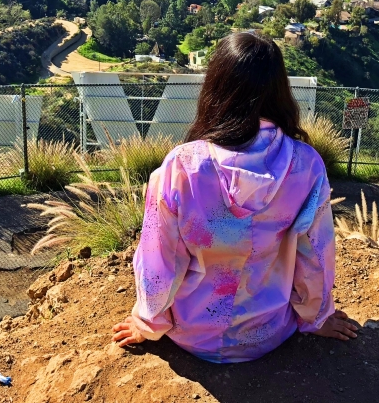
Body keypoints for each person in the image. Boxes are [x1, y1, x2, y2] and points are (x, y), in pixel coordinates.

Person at [112, 31, 358, 363]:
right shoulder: (306, 165)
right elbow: (315, 254)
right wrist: (318, 317)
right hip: (269, 332)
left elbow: (161, 258)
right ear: (279, 90)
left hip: (193, 334)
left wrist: (148, 323)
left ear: (215, 88)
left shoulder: (183, 166)